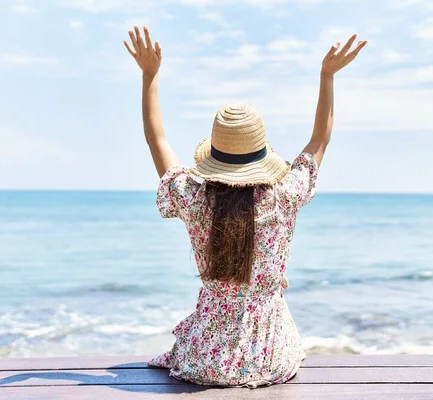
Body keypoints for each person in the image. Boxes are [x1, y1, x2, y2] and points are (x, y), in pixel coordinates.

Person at [123, 25, 367, 388]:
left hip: (205, 357)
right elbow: (320, 138)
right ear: (262, 154)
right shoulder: (284, 194)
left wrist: (150, 76)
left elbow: (155, 138)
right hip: (270, 356)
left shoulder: (192, 196)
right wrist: (326, 76)